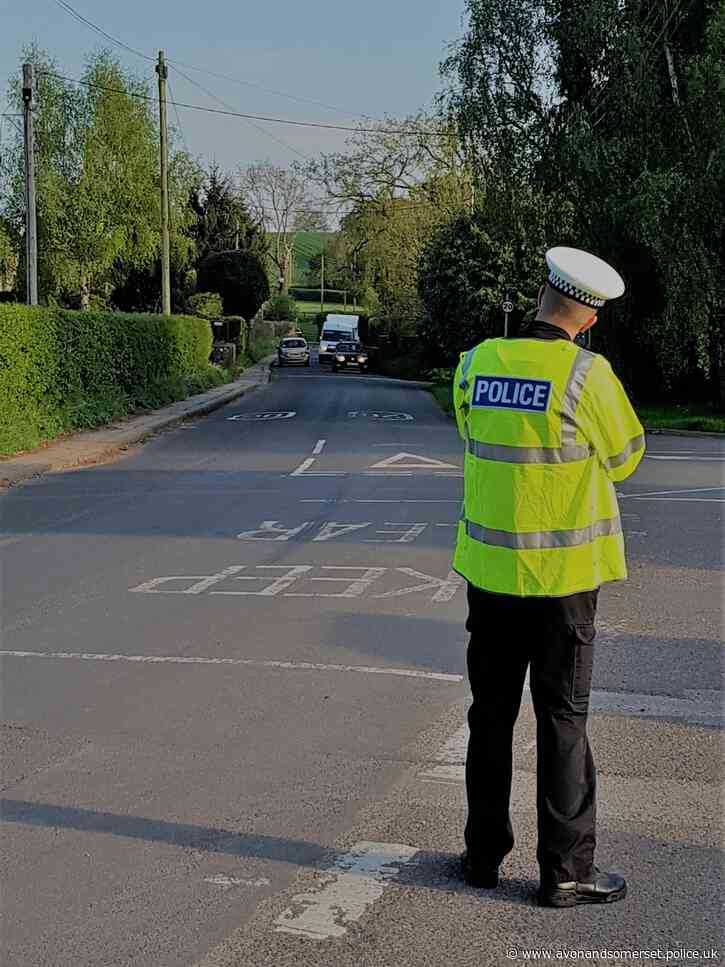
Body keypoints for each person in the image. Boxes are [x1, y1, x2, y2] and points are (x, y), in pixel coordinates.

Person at [452, 246, 645, 908]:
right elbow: (626, 457)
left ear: (539, 297)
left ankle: (482, 856)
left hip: (490, 576)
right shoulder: (588, 376)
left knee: (490, 716)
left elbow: (471, 433)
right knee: (562, 719)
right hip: (563, 582)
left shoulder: (475, 363)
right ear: (588, 318)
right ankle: (564, 871)